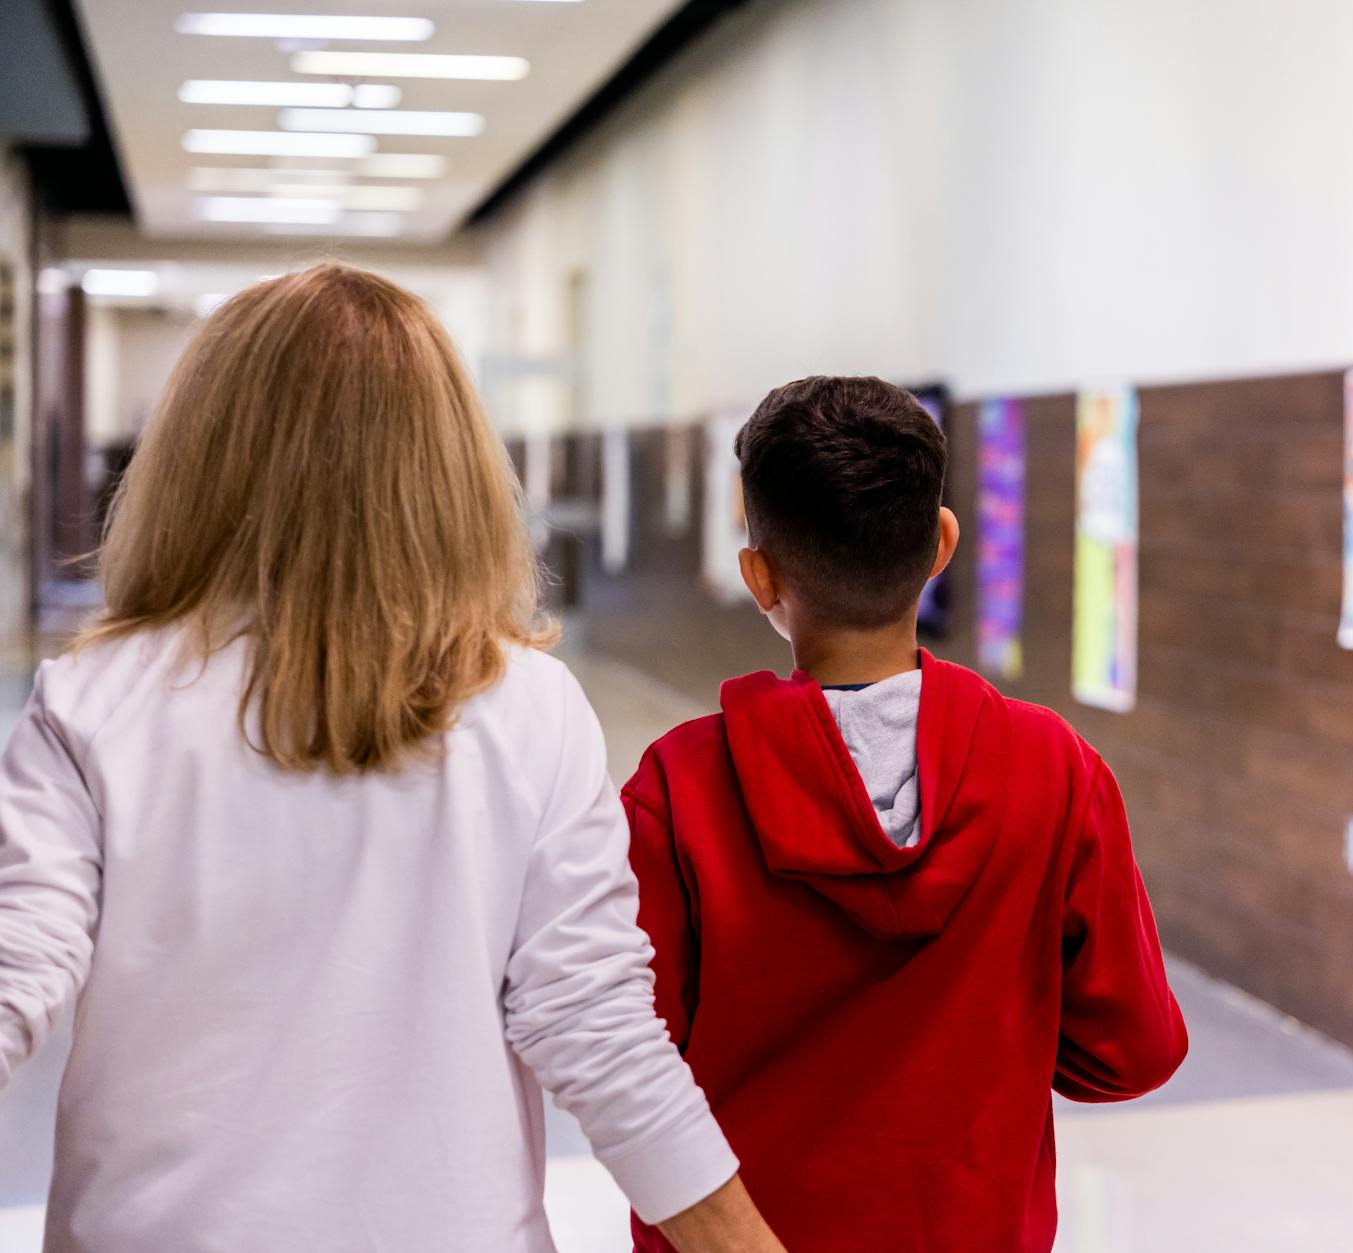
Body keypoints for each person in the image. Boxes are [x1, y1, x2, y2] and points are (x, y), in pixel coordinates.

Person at [0, 265, 784, 1253]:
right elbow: (598, 1031)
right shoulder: (529, 708)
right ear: (447, 463)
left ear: (194, 454)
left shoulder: (96, 701)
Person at [621, 376, 1189, 1252]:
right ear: (942, 544)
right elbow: (1134, 1049)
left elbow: (630, 1064)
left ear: (759, 574)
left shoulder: (680, 788)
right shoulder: (1053, 769)